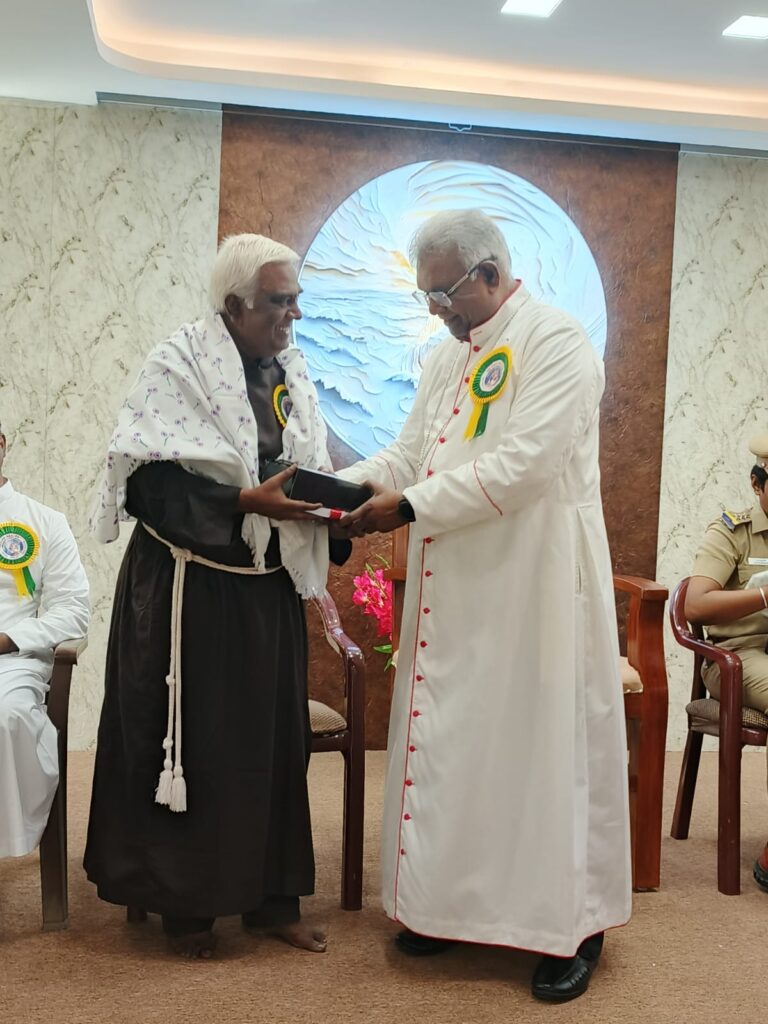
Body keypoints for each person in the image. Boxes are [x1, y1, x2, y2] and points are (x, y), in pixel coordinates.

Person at [337, 209, 631, 1002]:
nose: (436, 310)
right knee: (457, 748)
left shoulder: (558, 342)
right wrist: (343, 488)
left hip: (533, 585)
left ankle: (573, 927)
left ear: (490, 274)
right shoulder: (447, 356)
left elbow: (527, 464)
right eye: (427, 296)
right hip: (455, 587)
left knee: (542, 755)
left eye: (444, 294)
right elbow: (409, 454)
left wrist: (406, 508)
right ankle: (447, 909)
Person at [85, 234, 349, 958]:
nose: (294, 315)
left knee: (272, 746)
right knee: (194, 746)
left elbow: (302, 464)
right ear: (234, 304)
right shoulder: (177, 366)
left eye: (297, 300)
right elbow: (148, 485)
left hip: (265, 591)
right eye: (279, 301)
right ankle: (188, 909)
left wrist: (331, 509)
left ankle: (271, 902)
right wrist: (242, 500)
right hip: (189, 591)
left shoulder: (292, 371)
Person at [0, 423, 90, 861]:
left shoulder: (44, 521)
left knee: (6, 716)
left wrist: (8, 639)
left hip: (10, 659)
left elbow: (73, 609)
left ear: (1, 445)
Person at [685, 434, 768, 893]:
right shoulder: (731, 531)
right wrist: (763, 596)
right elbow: (695, 605)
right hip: (736, 657)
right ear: (757, 483)